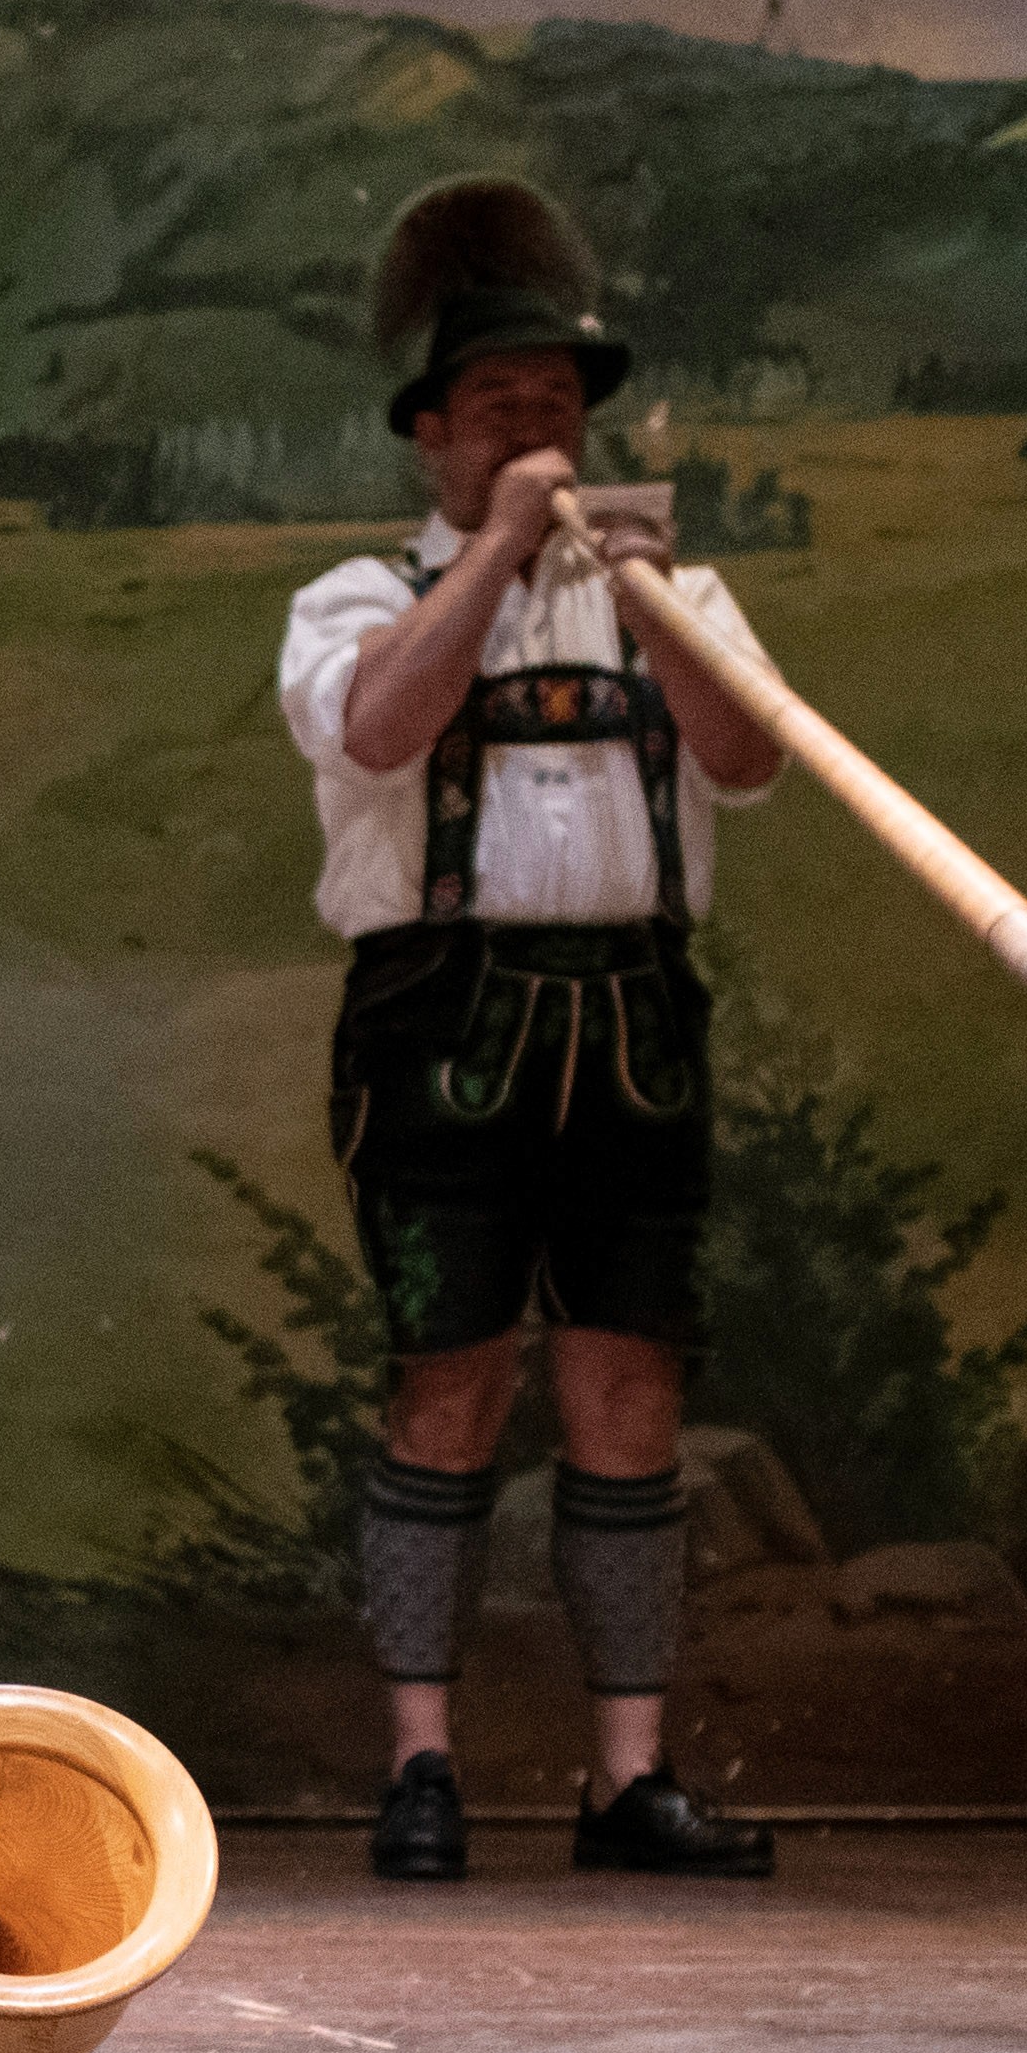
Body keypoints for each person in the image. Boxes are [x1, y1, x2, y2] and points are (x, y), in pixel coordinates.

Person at [271, 177, 789, 1882]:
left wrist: (651, 603)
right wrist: (500, 550)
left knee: (630, 1384)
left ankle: (627, 1777)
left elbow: (749, 757)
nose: (535, 431)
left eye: (557, 405)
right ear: (430, 434)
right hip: (443, 1021)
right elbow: (377, 729)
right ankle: (422, 1763)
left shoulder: (678, 594)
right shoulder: (357, 597)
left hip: (636, 1017)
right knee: (449, 1382)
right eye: (497, 406)